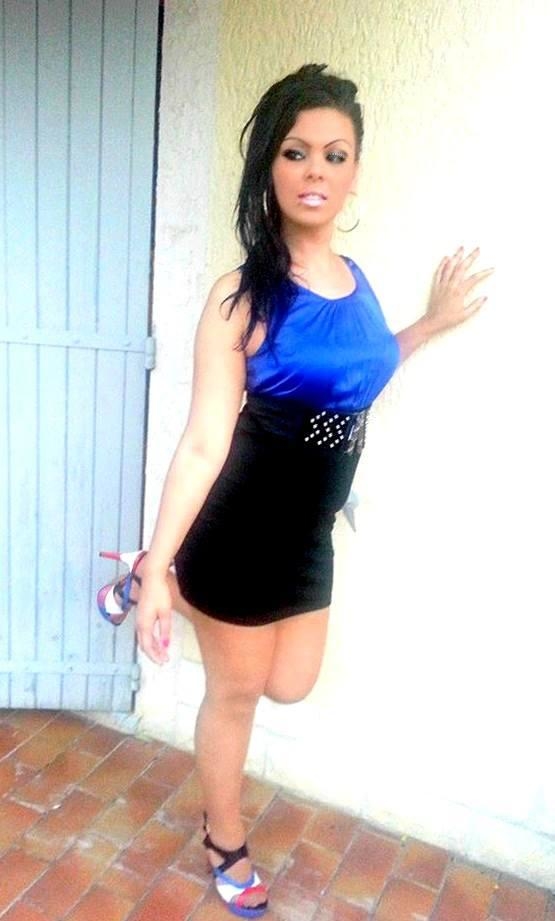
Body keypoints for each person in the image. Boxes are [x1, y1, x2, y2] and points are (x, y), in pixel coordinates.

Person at [97, 63, 492, 919]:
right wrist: (169, 560)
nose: (315, 169)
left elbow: (361, 371)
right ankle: (223, 839)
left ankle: (150, 570)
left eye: (333, 154)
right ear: (269, 168)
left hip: (309, 535)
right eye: (295, 151)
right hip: (239, 529)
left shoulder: (358, 282)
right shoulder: (241, 298)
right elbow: (204, 442)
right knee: (236, 693)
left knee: (292, 682)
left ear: (354, 171)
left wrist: (429, 322)